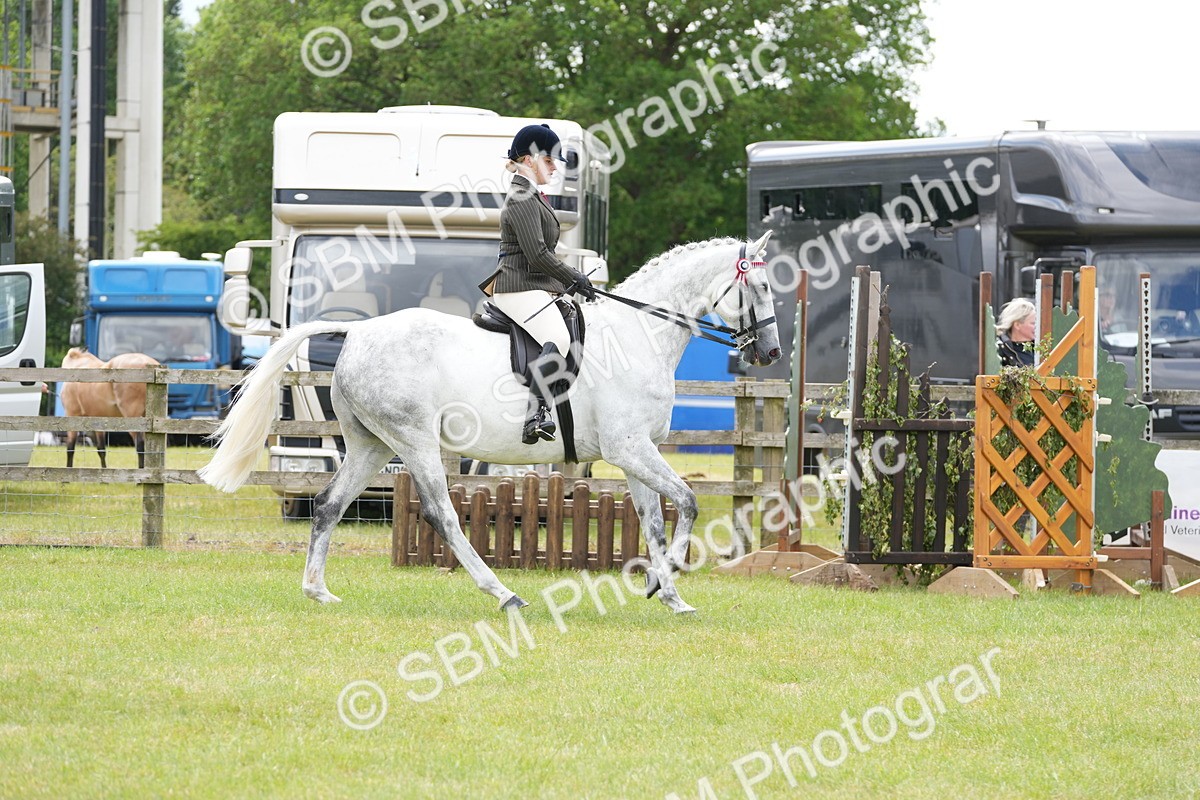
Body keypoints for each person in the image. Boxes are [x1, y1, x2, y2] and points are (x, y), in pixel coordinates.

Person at [478, 123, 597, 445]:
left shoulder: (533, 196)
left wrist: (571, 281)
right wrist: (574, 277)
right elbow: (537, 254)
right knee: (557, 337)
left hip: (534, 285)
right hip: (518, 286)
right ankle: (535, 413)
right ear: (529, 160)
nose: (555, 167)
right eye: (549, 160)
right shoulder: (521, 197)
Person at [996, 298, 1036, 367]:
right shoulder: (1000, 351)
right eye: (1033, 323)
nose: (1037, 327)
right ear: (1017, 325)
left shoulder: (1040, 349)